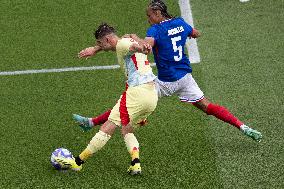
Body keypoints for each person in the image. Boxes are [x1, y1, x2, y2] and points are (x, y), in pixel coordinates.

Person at [75, 0, 262, 142]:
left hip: (164, 83)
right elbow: (196, 33)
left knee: (126, 104)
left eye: (149, 15)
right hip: (186, 79)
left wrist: (133, 37)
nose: (148, 19)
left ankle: (91, 122)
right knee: (208, 107)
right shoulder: (181, 23)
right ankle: (243, 127)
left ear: (157, 13)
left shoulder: (155, 30)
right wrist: (184, 34)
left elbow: (145, 46)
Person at [55, 23, 158, 175]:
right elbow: (130, 45)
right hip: (152, 95)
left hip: (137, 93)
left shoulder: (124, 44)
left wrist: (141, 48)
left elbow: (132, 48)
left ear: (108, 39)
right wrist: (95, 49)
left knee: (108, 126)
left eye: (99, 43)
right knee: (127, 129)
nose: (99, 45)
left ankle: (77, 162)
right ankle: (135, 164)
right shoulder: (126, 40)